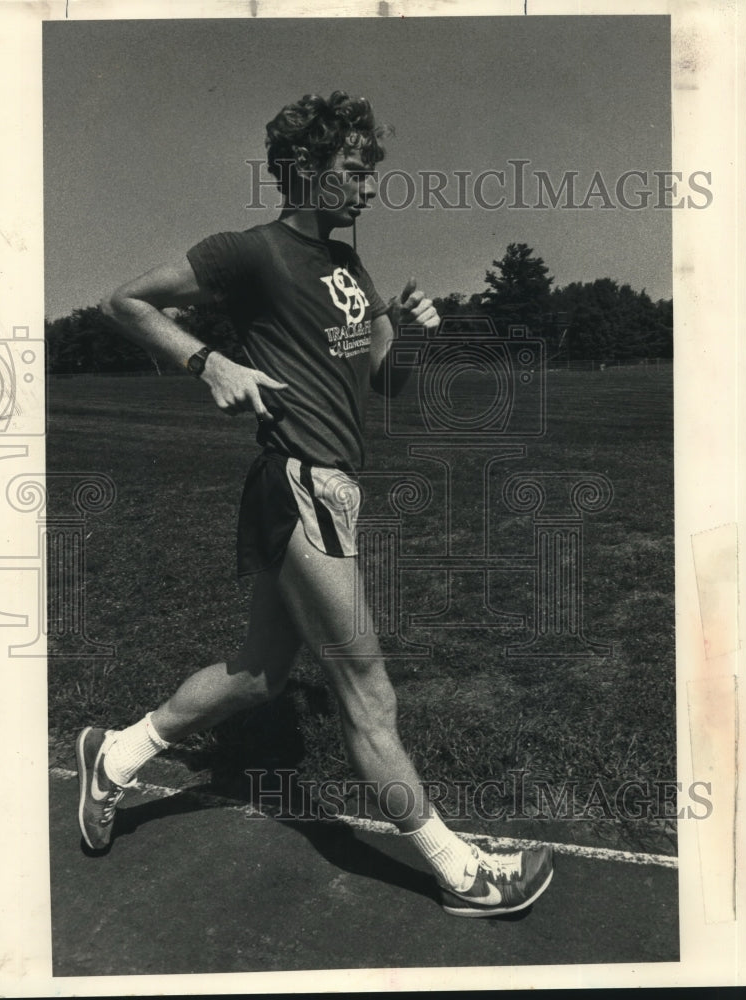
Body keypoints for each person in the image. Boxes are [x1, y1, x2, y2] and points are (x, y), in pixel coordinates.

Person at [76, 90, 553, 918]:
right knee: (367, 689)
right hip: (297, 484)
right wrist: (209, 363)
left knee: (260, 675)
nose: (370, 185)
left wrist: (409, 328)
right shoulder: (251, 252)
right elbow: (126, 302)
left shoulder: (348, 268)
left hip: (332, 487)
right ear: (305, 169)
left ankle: (114, 755)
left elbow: (383, 381)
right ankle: (462, 873)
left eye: (372, 169)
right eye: (354, 169)